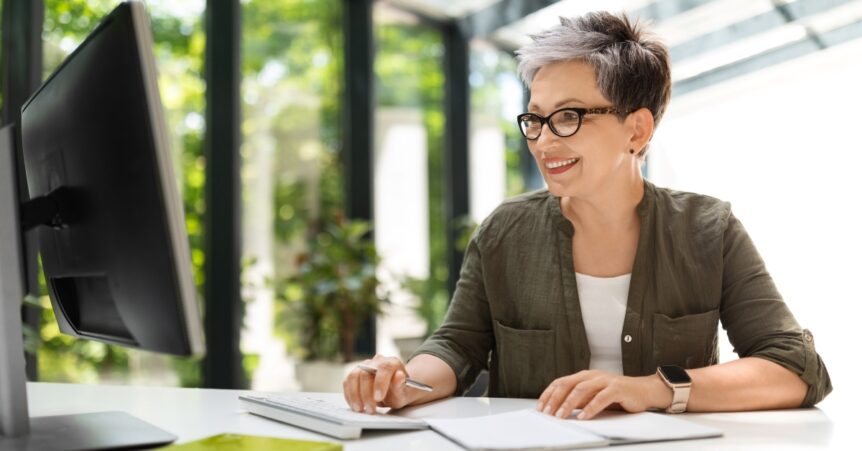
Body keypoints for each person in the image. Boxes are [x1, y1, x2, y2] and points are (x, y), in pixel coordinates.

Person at [342, 11, 831, 420]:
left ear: (636, 129)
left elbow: (794, 368)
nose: (544, 140)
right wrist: (405, 383)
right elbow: (456, 347)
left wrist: (651, 389)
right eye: (535, 118)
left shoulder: (709, 230)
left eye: (569, 116)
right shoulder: (505, 231)